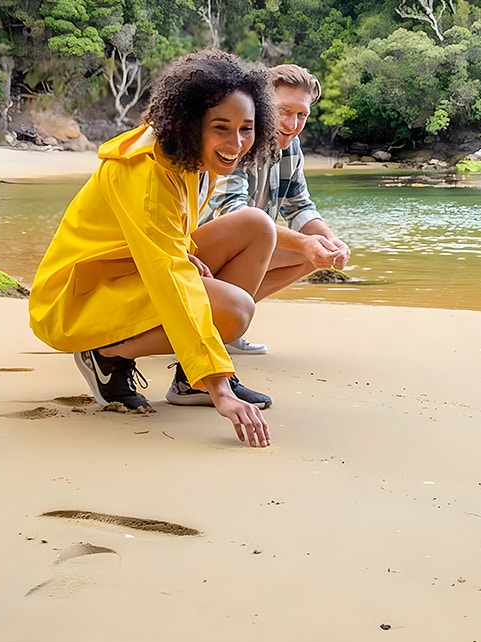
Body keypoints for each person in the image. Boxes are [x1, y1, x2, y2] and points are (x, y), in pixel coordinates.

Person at [27, 51, 281, 447]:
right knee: (234, 311)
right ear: (191, 122)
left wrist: (184, 254)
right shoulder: (146, 171)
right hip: (74, 301)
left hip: (123, 274)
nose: (237, 143)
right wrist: (219, 386)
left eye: (246, 128)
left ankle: (186, 380)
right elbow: (168, 275)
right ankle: (107, 356)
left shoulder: (193, 159)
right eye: (222, 127)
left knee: (257, 226)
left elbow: (164, 243)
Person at [201, 63, 350, 355]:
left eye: (302, 115)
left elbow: (300, 207)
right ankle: (214, 323)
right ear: (261, 105)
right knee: (264, 227)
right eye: (284, 111)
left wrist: (331, 242)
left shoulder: (291, 150)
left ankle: (225, 327)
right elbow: (233, 214)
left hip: (245, 249)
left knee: (316, 255)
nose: (293, 124)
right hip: (198, 252)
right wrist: (305, 243)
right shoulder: (236, 141)